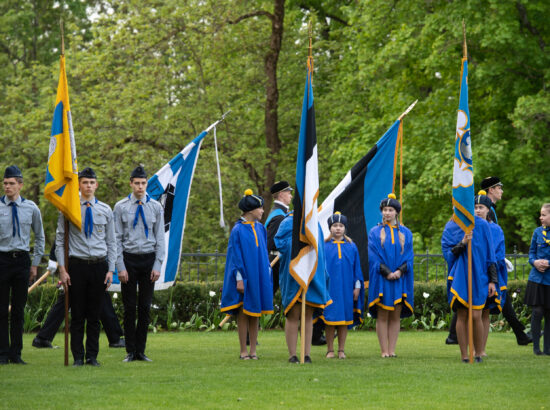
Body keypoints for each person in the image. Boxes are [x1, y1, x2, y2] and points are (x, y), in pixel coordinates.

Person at [447, 176, 531, 345]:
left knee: (482, 302)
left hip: (489, 262)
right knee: (477, 300)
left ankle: (455, 336)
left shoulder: (491, 211)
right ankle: (456, 336)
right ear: (491, 189)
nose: (501, 191)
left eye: (481, 207)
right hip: (481, 264)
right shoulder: (485, 211)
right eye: (499, 188)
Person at [56, 167, 116, 367]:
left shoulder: (106, 210)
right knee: (78, 315)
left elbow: (112, 242)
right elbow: (60, 241)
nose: (88, 186)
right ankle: (77, 357)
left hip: (99, 266)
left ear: (96, 185)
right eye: (85, 182)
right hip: (77, 266)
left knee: (94, 314)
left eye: (92, 183)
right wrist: (62, 270)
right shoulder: (69, 208)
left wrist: (111, 269)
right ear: (78, 185)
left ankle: (92, 356)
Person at [114, 166, 165, 363]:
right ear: (131, 183)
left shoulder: (155, 207)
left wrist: (158, 264)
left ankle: (141, 351)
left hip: (148, 259)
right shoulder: (121, 207)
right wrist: (120, 266)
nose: (140, 187)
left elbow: (160, 238)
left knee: (144, 307)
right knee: (129, 307)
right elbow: (116, 238)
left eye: (143, 183)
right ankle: (130, 350)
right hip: (129, 259)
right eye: (137, 183)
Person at [32, 245, 125, 349]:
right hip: (77, 264)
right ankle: (115, 338)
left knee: (73, 299)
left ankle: (43, 337)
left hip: (91, 263)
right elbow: (62, 236)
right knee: (70, 299)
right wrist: (53, 258)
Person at [221, 189, 273, 360]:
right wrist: (239, 278)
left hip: (258, 276)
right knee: (243, 312)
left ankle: (253, 351)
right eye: (260, 208)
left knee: (255, 312)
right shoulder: (238, 230)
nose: (263, 211)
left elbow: (263, 253)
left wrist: (266, 270)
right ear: (251, 210)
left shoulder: (261, 228)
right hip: (244, 277)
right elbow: (235, 256)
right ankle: (243, 351)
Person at [0, 165, 45, 365]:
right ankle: (2, 353)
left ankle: (15, 353)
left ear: (20, 185)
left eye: (11, 184)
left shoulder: (31, 208)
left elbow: (40, 236)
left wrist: (35, 264)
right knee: (1, 310)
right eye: (5, 183)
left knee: (18, 309)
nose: (7, 187)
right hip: (2, 260)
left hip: (22, 261)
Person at [442, 208, 498, 363]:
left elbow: (490, 254)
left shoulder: (482, 225)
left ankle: (479, 352)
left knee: (476, 315)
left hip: (480, 277)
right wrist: (463, 242)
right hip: (459, 277)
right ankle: (464, 355)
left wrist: (493, 280)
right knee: (462, 315)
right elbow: (448, 254)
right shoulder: (451, 226)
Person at [274, 212, 331, 364]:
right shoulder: (288, 222)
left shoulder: (315, 223)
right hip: (293, 274)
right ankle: (293, 355)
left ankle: (306, 354)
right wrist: (301, 244)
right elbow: (280, 244)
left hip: (311, 275)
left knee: (308, 316)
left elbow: (321, 250)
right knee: (293, 314)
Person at [367, 194, 414, 358]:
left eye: (390, 210)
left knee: (395, 315)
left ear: (396, 213)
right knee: (383, 315)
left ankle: (392, 350)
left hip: (399, 279)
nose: (387, 213)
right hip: (382, 278)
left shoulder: (406, 233)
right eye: (385, 210)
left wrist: (399, 271)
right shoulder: (375, 232)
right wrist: (387, 272)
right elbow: (373, 257)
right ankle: (383, 350)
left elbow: (409, 256)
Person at [320, 212, 364, 359]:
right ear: (330, 228)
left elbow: (357, 268)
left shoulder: (351, 246)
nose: (338, 229)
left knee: (344, 319)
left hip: (346, 288)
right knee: (330, 319)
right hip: (330, 289)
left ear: (345, 228)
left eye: (340, 226)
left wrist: (357, 286)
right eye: (335, 226)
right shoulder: (324, 246)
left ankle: (341, 350)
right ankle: (330, 349)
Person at [473, 190, 503, 357]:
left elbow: (496, 253)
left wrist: (492, 277)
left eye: (481, 207)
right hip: (472, 274)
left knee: (484, 311)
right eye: (475, 207)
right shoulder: (470, 226)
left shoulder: (495, 229)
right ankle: (472, 347)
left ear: (488, 209)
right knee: (472, 312)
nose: (478, 210)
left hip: (488, 274)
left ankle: (481, 349)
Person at [524, 203, 550, 356]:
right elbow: (531, 253)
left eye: (544, 215)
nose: (540, 217)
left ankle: (547, 349)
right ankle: (536, 348)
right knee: (537, 312)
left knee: (549, 314)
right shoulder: (537, 232)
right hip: (537, 279)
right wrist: (535, 262)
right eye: (540, 215)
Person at [265, 180, 293, 295]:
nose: (291, 196)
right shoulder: (279, 216)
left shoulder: (278, 212)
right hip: (276, 262)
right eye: (289, 193)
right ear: (281, 194)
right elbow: (271, 243)